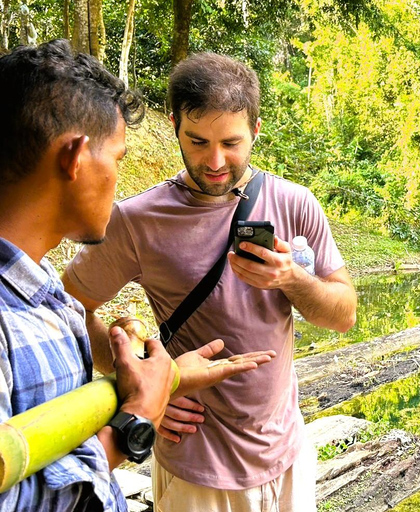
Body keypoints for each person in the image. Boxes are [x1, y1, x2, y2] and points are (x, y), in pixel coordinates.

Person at [63, 51, 358, 511]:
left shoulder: (295, 203)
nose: (215, 161)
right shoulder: (137, 220)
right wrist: (140, 386)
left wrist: (293, 279)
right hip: (197, 468)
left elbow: (343, 315)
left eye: (232, 143)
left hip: (288, 455)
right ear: (176, 125)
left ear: (256, 129)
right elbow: (66, 308)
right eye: (197, 141)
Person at [0, 40, 275, 511]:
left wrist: (160, 379)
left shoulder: (42, 293)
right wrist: (137, 422)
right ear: (75, 158)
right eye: (120, 157)